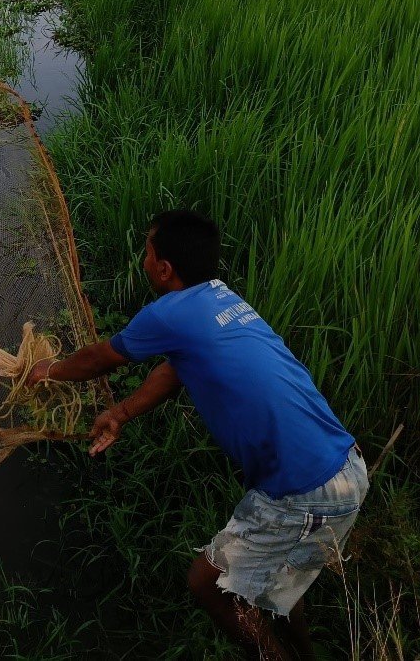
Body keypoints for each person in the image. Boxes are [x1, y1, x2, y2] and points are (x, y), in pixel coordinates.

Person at [25, 209, 367, 661]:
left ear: (164, 269)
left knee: (207, 585)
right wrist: (121, 413)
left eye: (147, 253)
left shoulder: (167, 313)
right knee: (281, 583)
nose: (142, 260)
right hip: (347, 469)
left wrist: (49, 370)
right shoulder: (221, 299)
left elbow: (98, 360)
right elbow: (175, 369)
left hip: (302, 492)